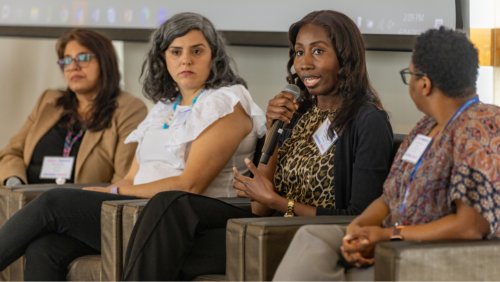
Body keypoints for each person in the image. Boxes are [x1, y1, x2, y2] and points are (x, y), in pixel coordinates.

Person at [122, 10, 393, 281]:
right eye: (299, 53)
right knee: (169, 206)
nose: (305, 63)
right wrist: (275, 126)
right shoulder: (299, 114)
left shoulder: (368, 121)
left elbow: (359, 217)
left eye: (318, 52)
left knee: (161, 250)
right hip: (266, 224)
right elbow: (259, 208)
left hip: (309, 236)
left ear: (346, 58)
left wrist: (280, 203)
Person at [0, 12, 265, 280]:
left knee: (54, 201)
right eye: (175, 52)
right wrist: (112, 191)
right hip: (133, 210)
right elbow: (131, 177)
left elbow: (189, 185)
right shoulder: (165, 106)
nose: (186, 59)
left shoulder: (226, 102)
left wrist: (112, 190)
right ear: (163, 58)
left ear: (214, 55)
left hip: (180, 222)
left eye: (197, 50)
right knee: (45, 247)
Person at [273, 27, 500, 281]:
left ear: (424, 84)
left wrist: (388, 236)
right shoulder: (426, 126)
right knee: (311, 237)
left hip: (432, 253)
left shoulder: (482, 126)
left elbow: (469, 227)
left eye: (409, 75)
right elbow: (388, 197)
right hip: (390, 238)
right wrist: (359, 228)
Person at [0, 29, 147, 185]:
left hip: (81, 206)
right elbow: (11, 153)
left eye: (83, 58)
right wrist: (14, 181)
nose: (73, 67)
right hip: (25, 201)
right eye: (67, 60)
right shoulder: (48, 100)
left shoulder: (129, 109)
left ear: (105, 62)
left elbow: (124, 179)